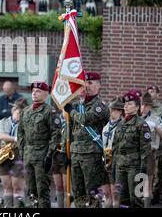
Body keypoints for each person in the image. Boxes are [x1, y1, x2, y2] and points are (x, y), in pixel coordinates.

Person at [63, 72, 109, 207]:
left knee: (92, 192)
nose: (86, 86)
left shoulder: (100, 106)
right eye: (85, 83)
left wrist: (70, 110)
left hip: (92, 155)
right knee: (78, 192)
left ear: (98, 86)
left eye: (90, 83)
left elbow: (85, 119)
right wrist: (65, 152)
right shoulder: (77, 106)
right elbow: (69, 130)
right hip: (75, 154)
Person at [18, 81, 61, 208]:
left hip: (43, 155)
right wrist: (22, 152)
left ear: (46, 94)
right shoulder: (25, 111)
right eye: (33, 91)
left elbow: (56, 134)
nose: (34, 93)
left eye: (38, 91)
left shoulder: (50, 112)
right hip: (28, 154)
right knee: (30, 191)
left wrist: (49, 155)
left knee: (42, 191)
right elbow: (20, 133)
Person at [112, 91, 151, 208]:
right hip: (120, 164)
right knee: (121, 197)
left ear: (137, 107)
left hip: (134, 165)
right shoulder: (120, 123)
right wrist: (114, 163)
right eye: (125, 104)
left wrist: (143, 167)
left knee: (135, 198)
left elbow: (145, 148)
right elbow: (115, 145)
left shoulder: (141, 124)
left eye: (129, 104)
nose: (125, 106)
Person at [0, 98, 27, 208]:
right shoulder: (3, 121)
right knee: (7, 187)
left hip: (18, 154)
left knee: (17, 187)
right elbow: (0, 135)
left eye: (23, 113)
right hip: (4, 153)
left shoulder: (25, 124)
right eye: (19, 112)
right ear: (14, 110)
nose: (21, 115)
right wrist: (15, 138)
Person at [140, 92, 162, 207]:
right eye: (142, 105)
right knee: (137, 181)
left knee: (148, 182)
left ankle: (146, 205)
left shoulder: (156, 119)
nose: (143, 108)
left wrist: (155, 127)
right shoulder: (136, 118)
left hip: (150, 152)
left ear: (150, 107)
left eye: (146, 105)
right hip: (136, 154)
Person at [101, 96, 124, 208]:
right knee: (106, 196)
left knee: (116, 195)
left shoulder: (123, 126)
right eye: (110, 109)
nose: (111, 112)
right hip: (105, 161)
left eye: (114, 109)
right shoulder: (105, 127)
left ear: (120, 111)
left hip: (116, 162)